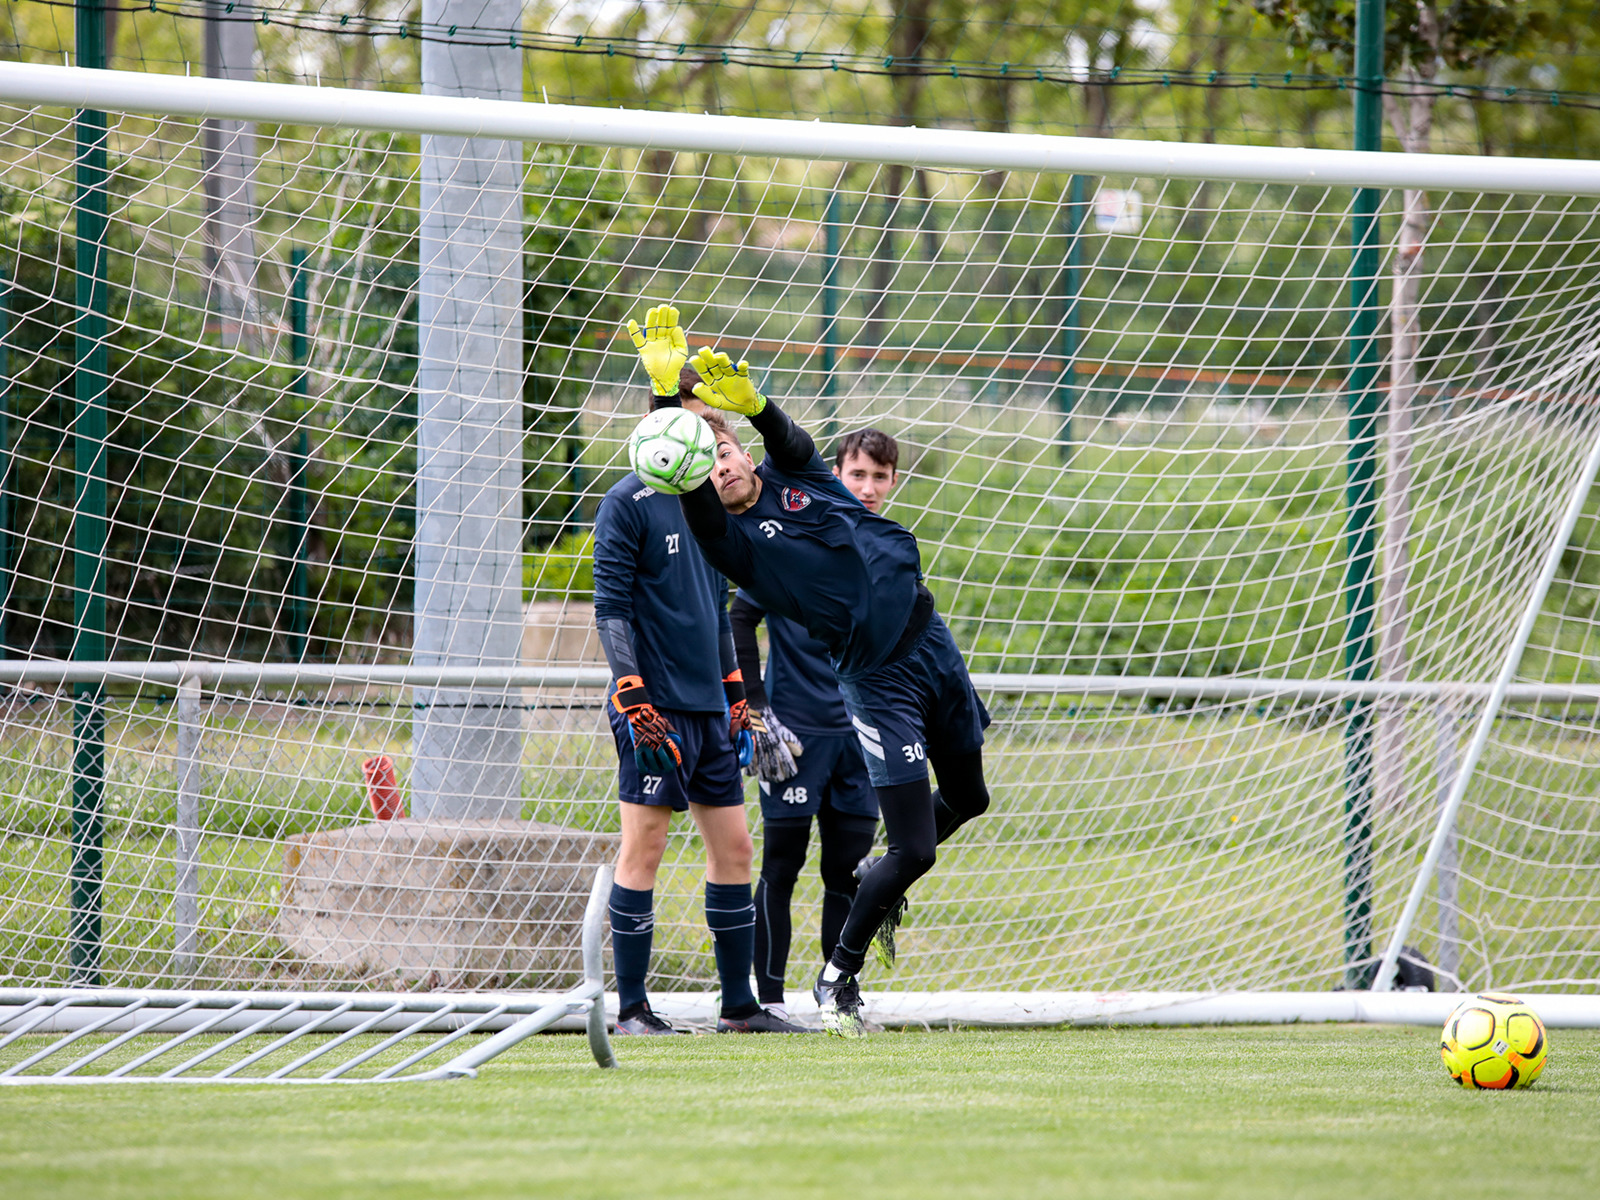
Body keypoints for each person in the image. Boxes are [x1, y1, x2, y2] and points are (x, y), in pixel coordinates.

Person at [629, 305, 993, 1037]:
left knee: (971, 797)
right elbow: (684, 475)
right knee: (914, 850)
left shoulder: (799, 474)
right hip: (879, 680)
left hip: (933, 643)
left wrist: (758, 406)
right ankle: (837, 977)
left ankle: (869, 877)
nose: (720, 466)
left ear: (742, 451)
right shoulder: (728, 541)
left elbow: (789, 440)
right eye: (704, 466)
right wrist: (667, 401)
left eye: (723, 450)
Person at [591, 306, 806, 1035]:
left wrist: (738, 698)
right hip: (652, 709)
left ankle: (739, 1007)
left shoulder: (711, 512)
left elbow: (716, 613)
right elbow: (611, 610)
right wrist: (632, 694)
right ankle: (631, 1008)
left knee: (736, 849)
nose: (709, 438)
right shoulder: (626, 503)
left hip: (712, 709)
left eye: (714, 430)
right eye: (694, 419)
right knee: (645, 846)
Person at [732, 429, 903, 1022]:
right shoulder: (794, 534)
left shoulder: (887, 546)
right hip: (797, 735)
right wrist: (757, 707)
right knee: (781, 867)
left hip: (863, 737)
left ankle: (837, 997)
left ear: (893, 482)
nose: (867, 487)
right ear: (835, 475)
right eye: (857, 474)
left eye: (879, 477)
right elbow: (740, 616)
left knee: (847, 875)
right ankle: (770, 1003)